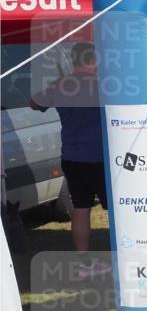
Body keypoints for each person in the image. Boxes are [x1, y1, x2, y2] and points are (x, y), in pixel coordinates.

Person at [30, 42, 108, 267]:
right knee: (118, 209)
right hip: (102, 158)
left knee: (81, 209)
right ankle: (122, 256)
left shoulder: (61, 85)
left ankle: (83, 261)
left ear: (73, 60)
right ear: (94, 60)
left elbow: (33, 102)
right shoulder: (105, 85)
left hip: (73, 157)